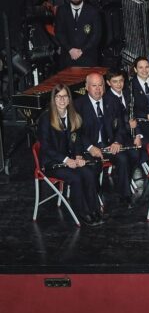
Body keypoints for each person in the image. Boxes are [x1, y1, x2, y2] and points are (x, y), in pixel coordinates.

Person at [38, 84, 103, 225]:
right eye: (58, 97)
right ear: (53, 99)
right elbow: (46, 148)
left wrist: (78, 155)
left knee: (89, 173)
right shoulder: (45, 119)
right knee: (76, 177)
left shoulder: (73, 116)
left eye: (65, 96)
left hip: (70, 160)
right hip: (53, 163)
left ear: (69, 99)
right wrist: (67, 160)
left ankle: (95, 210)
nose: (62, 100)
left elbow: (77, 140)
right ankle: (82, 212)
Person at [75, 72, 142, 207]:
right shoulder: (78, 105)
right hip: (89, 149)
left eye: (100, 85)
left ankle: (125, 195)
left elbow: (121, 127)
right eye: (94, 86)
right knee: (92, 167)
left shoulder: (112, 101)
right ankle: (93, 200)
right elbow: (76, 132)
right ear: (87, 87)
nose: (98, 89)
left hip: (108, 145)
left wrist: (117, 141)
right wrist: (90, 147)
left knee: (123, 158)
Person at [53, 0, 102, 67]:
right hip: (67, 59)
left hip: (88, 58)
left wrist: (82, 50)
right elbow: (58, 32)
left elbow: (96, 35)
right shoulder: (61, 10)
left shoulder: (93, 11)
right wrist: (70, 49)